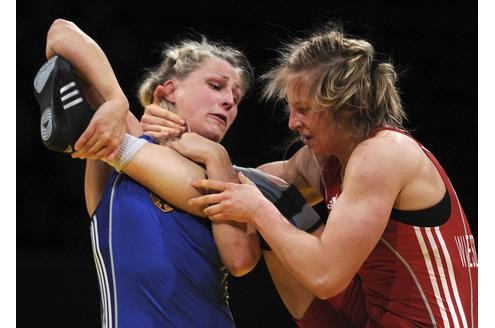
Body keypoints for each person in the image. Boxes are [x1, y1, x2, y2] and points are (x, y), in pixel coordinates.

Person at [161, 23, 478, 327]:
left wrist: (257, 209)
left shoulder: (383, 154)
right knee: (273, 194)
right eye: (291, 108)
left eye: (304, 109)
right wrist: (173, 146)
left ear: (346, 108)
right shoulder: (330, 159)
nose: (292, 123)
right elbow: (254, 180)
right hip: (379, 318)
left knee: (268, 206)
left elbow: (326, 278)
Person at [42, 18, 260, 327]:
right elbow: (60, 33)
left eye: (236, 99)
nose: (228, 100)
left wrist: (214, 154)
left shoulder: (231, 176)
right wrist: (116, 101)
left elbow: (240, 261)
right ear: (169, 89)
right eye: (216, 86)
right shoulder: (121, 135)